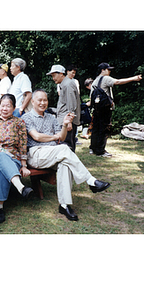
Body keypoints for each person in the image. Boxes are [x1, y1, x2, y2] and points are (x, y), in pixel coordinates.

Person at [22, 89, 111, 221]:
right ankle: (90, 180)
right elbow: (37, 136)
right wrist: (54, 137)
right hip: (36, 154)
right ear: (33, 101)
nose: (42, 103)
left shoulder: (51, 117)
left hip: (55, 154)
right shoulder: (26, 117)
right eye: (39, 100)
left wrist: (64, 125)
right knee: (64, 149)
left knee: (65, 163)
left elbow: (62, 137)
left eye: (45, 100)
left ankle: (64, 205)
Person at [0, 94, 33, 223]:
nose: (5, 109)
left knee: (2, 173)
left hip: (13, 159)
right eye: (2, 105)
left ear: (14, 107)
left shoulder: (19, 122)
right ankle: (20, 186)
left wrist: (23, 165)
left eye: (8, 106)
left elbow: (23, 144)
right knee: (1, 155)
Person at [90, 62, 142, 157]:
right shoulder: (105, 78)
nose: (109, 71)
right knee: (104, 129)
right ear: (103, 70)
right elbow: (117, 82)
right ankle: (100, 151)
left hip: (97, 109)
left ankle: (93, 148)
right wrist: (133, 79)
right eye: (108, 69)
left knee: (96, 128)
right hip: (105, 109)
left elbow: (91, 97)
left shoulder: (95, 81)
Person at [46, 64, 80, 152]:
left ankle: (69, 164)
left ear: (61, 74)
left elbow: (71, 104)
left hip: (68, 121)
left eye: (54, 75)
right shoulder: (64, 84)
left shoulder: (67, 84)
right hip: (64, 120)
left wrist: (69, 122)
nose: (53, 78)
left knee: (67, 145)